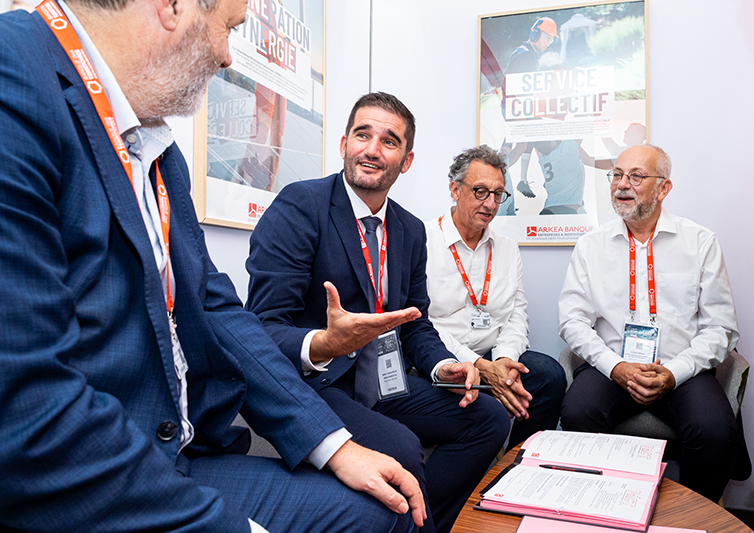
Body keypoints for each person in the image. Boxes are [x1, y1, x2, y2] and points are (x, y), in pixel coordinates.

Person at [0, 0, 426, 531]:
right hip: (90, 470)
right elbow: (25, 405)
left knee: (382, 510)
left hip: (180, 450)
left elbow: (215, 307)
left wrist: (334, 446)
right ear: (173, 7)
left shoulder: (155, 147)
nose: (226, 57)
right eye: (228, 28)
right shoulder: (15, 79)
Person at [246, 92, 510, 533]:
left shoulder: (409, 230)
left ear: (406, 161)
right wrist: (323, 343)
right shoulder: (301, 205)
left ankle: (421, 525)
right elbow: (261, 327)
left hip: (385, 381)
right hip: (317, 383)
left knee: (490, 418)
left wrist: (444, 366)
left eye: (389, 141)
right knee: (401, 449)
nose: (372, 149)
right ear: (344, 143)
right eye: (362, 135)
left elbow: (416, 323)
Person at [558, 144, 743, 502]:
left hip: (681, 370)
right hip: (612, 367)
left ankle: (689, 518)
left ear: (663, 188)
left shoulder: (700, 242)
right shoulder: (591, 245)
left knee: (716, 431)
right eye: (616, 175)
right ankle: (603, 508)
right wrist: (617, 367)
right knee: (578, 413)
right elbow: (572, 321)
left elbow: (721, 327)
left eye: (636, 176)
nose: (621, 184)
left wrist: (673, 372)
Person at [424, 146, 566, 451]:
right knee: (471, 397)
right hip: (443, 359)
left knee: (550, 376)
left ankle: (515, 462)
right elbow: (422, 324)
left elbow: (516, 314)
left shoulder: (507, 248)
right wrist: (476, 364)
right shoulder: (422, 241)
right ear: (455, 190)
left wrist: (503, 361)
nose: (490, 204)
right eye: (480, 191)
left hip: (493, 354)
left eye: (498, 194)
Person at [502, 17, 559, 198]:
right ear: (535, 34)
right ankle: (498, 175)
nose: (548, 43)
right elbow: (525, 88)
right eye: (547, 37)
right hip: (517, 106)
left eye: (551, 40)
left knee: (526, 140)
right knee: (522, 143)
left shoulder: (524, 52)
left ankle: (523, 180)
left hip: (516, 105)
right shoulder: (526, 55)